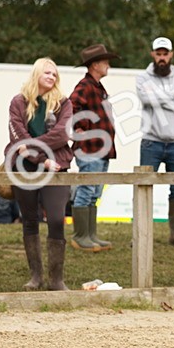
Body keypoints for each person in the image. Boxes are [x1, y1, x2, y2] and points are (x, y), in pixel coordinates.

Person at [6, 57, 73, 291]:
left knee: (56, 219)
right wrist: (42, 159)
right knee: (30, 219)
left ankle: (57, 280)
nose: (51, 77)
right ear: (36, 74)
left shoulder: (64, 103)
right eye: (47, 73)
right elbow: (17, 137)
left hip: (56, 167)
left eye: (54, 74)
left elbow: (62, 135)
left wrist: (34, 150)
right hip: (26, 168)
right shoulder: (18, 102)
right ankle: (36, 277)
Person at [137, 36, 174, 244]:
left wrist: (158, 98)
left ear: (171, 54)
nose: (162, 57)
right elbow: (146, 99)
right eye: (158, 53)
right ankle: (141, 234)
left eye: (165, 53)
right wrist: (172, 98)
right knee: (143, 187)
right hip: (151, 142)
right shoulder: (142, 77)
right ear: (153, 54)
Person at [69, 43, 119, 253]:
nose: (108, 65)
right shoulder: (85, 86)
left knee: (94, 191)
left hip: (101, 149)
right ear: (95, 64)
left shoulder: (97, 87)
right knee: (87, 188)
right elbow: (72, 106)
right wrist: (80, 128)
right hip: (90, 148)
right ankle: (81, 236)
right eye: (105, 61)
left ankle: (90, 235)